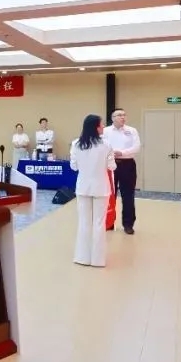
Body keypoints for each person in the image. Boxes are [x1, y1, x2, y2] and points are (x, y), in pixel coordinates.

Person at [69, 114, 117, 268]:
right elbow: (112, 166)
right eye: (101, 125)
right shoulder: (106, 145)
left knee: (84, 222)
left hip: (83, 187)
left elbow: (73, 166)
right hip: (101, 188)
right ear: (96, 127)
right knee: (99, 223)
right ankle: (97, 260)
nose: (103, 127)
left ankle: (82, 257)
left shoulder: (76, 144)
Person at [103, 108, 142, 234]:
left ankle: (128, 224)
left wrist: (122, 152)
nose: (122, 117)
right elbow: (101, 146)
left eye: (124, 115)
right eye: (119, 115)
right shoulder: (105, 131)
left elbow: (137, 147)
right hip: (110, 165)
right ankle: (109, 223)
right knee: (109, 195)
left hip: (127, 164)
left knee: (128, 195)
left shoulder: (132, 130)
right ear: (112, 118)